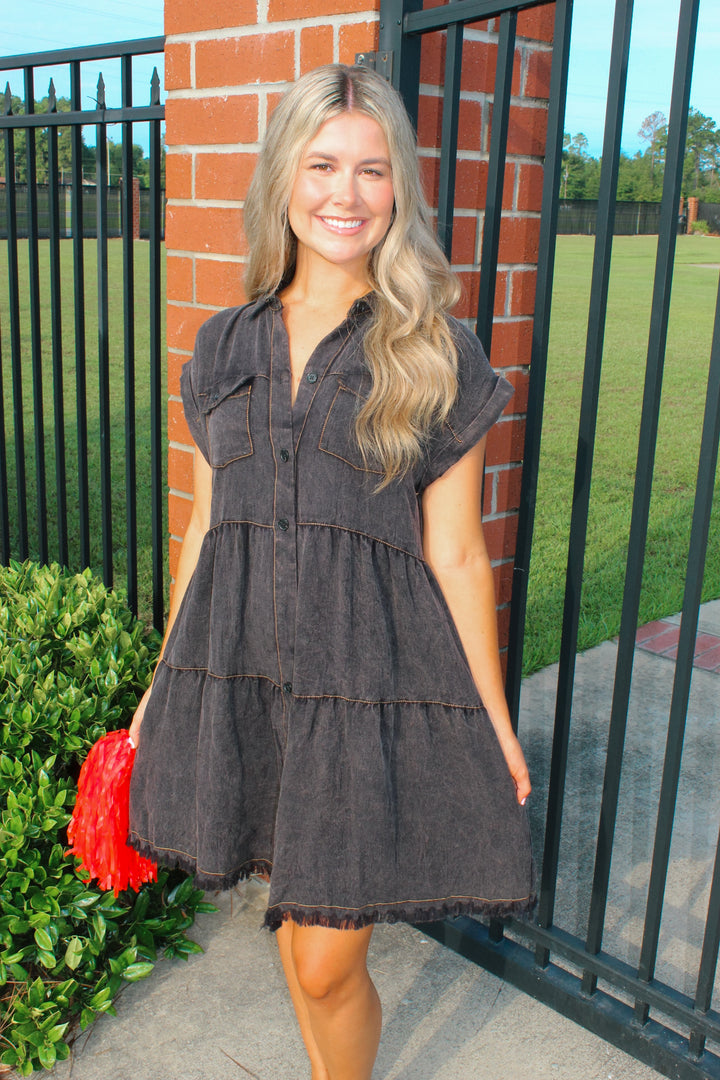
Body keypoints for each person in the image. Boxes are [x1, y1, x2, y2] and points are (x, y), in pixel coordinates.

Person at [128, 63, 534, 1080]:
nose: (345, 195)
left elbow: (453, 551)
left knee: (320, 963)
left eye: (372, 169)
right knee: (289, 914)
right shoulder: (221, 347)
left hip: (369, 689)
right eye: (321, 166)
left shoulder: (434, 350)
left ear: (399, 190)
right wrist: (161, 686)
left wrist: (489, 715)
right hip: (249, 677)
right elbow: (206, 527)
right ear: (281, 181)